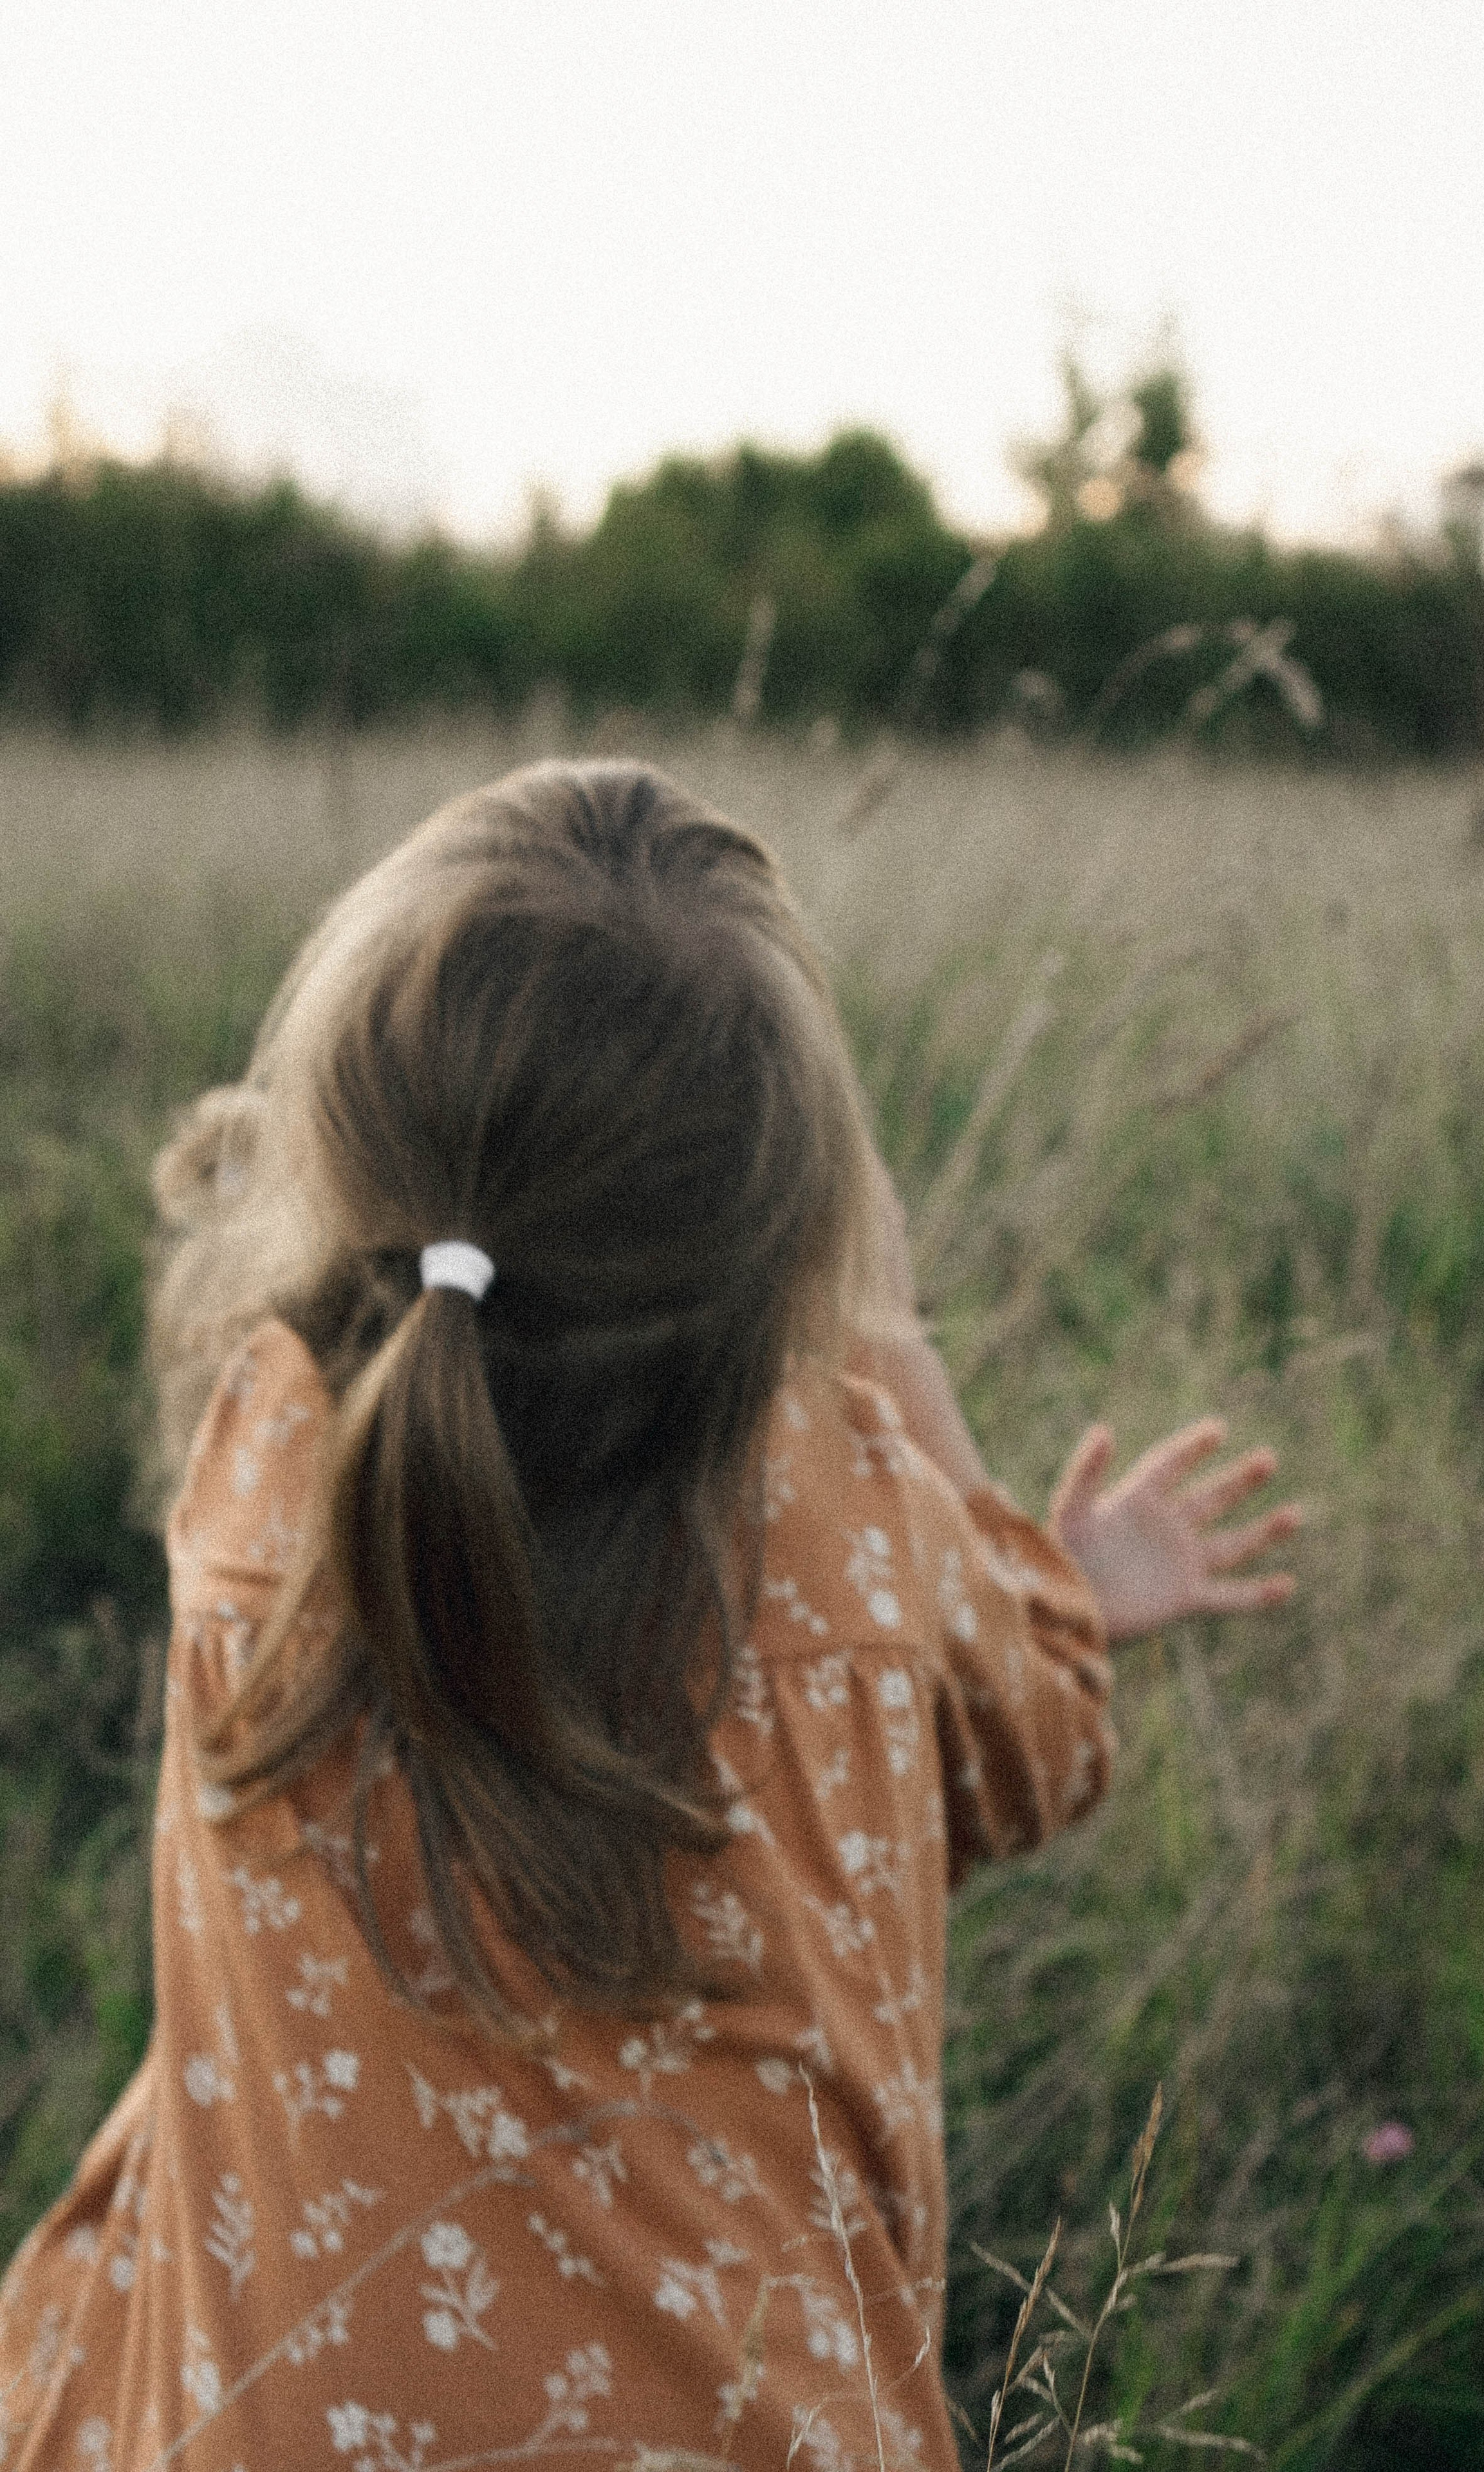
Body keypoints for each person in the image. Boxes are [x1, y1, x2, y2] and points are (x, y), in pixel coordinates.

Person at [0, 762, 1297, 2471]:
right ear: (793, 1245)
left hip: (266, 2420)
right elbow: (1029, 1742)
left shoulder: (268, 1473)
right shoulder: (854, 1524)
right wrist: (902, 1352)